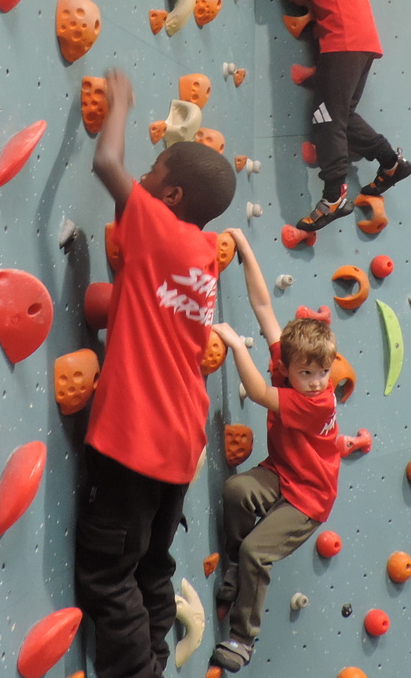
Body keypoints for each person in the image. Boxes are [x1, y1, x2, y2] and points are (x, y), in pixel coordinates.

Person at [74, 68, 238, 678]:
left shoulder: (159, 229)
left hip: (135, 438)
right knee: (151, 566)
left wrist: (118, 103)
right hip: (178, 438)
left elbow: (106, 163)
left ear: (169, 198)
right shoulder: (201, 253)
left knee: (106, 573)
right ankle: (155, 664)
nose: (142, 177)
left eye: (154, 174)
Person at [208, 227, 340, 673]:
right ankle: (234, 567)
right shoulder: (288, 361)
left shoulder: (316, 403)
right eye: (307, 373)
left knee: (256, 552)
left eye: (323, 372)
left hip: (309, 498)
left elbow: (260, 392)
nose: (317, 381)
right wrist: (246, 248)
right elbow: (264, 306)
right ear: (289, 363)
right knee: (236, 491)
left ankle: (243, 637)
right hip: (283, 472)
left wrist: (232, 343)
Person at [265, 0, 409, 232]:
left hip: (342, 38)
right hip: (361, 38)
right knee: (340, 115)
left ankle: (333, 196)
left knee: (325, 117)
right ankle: (391, 163)